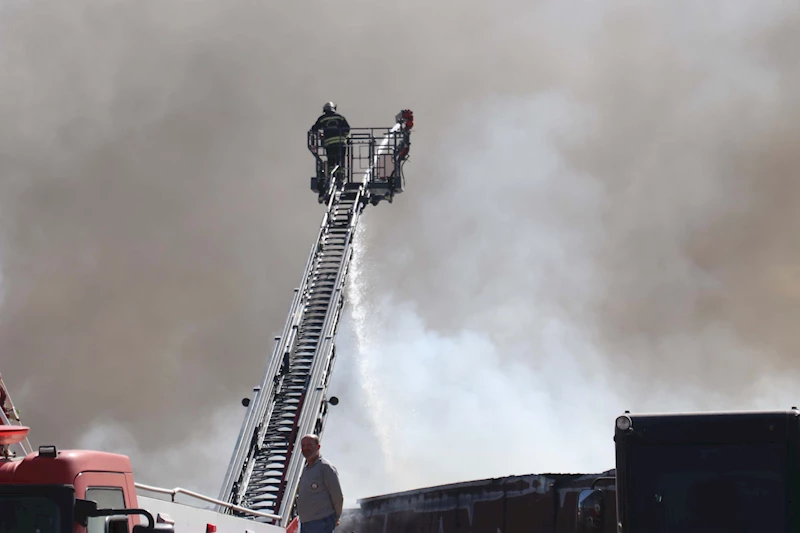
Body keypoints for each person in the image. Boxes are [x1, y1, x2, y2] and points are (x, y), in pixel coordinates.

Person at [296, 434, 343, 533]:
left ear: (318, 447)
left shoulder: (325, 468)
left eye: (309, 445)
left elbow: (337, 496)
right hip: (305, 523)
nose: (305, 448)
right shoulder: (305, 470)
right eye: (303, 445)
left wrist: (336, 517)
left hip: (322, 523)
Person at [309, 102, 350, 182]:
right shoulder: (340, 118)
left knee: (331, 160)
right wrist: (343, 137)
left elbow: (313, 129)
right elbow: (347, 129)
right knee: (340, 160)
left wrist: (320, 135)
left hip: (329, 144)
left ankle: (332, 177)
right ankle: (340, 176)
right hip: (341, 144)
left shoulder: (322, 118)